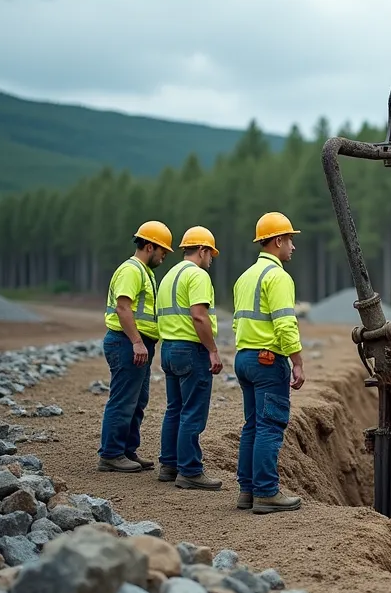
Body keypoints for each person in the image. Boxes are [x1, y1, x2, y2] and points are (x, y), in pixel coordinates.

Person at [230, 212, 306, 513]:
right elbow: (285, 324)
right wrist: (297, 362)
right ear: (277, 241)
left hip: (245, 357)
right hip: (267, 360)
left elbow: (239, 323)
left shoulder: (244, 277)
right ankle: (265, 492)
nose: (293, 247)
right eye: (290, 240)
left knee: (252, 425)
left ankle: (247, 491)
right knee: (270, 426)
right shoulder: (278, 277)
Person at [98, 220, 173, 473]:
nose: (164, 256)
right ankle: (111, 454)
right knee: (123, 399)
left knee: (137, 399)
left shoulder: (145, 272)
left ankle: (127, 450)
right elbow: (123, 307)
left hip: (134, 344)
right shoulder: (132, 270)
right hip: (126, 343)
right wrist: (137, 342)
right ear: (150, 246)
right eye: (163, 251)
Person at [154, 225, 224, 490]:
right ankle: (190, 471)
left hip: (169, 347)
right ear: (203, 250)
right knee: (193, 412)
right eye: (211, 255)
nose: (211, 261)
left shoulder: (170, 274)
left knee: (175, 409)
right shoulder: (197, 275)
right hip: (190, 349)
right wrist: (213, 349)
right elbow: (198, 315)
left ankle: (169, 465)